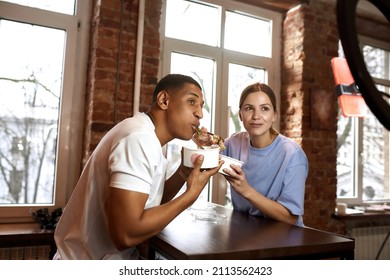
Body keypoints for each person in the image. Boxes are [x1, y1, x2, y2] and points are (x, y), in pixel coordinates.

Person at [53, 74, 223, 259]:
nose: (200, 113)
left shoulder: (147, 135)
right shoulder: (139, 138)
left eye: (201, 105)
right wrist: (190, 195)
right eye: (192, 101)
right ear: (164, 100)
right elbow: (125, 235)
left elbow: (149, 203)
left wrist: (183, 172)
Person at [221, 82, 308, 227]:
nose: (256, 116)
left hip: (286, 237)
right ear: (240, 115)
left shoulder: (292, 154)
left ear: (274, 115)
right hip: (247, 232)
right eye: (249, 108)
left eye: (264, 109)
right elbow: (207, 158)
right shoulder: (233, 143)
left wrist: (246, 190)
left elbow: (290, 218)